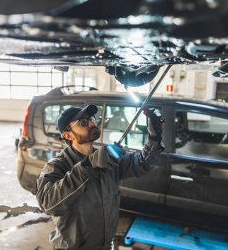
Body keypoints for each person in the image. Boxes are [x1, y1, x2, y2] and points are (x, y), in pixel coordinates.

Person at [36, 104, 164, 250]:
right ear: (68, 135)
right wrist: (89, 165)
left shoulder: (106, 159)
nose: (91, 123)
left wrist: (154, 137)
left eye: (91, 119)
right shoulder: (57, 166)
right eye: (83, 122)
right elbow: (48, 204)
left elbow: (142, 163)